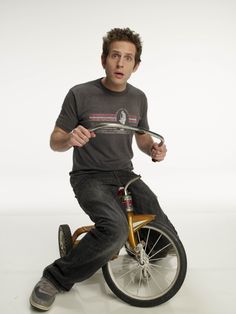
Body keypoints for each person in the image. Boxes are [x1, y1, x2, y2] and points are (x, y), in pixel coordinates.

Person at [30, 27, 177, 311]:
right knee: (115, 230)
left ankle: (110, 249)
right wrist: (70, 138)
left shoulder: (138, 98)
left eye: (128, 58)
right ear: (103, 60)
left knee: (165, 240)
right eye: (115, 56)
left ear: (136, 65)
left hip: (126, 176)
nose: (120, 63)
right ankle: (54, 278)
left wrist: (154, 150)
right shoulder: (79, 94)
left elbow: (142, 137)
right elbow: (54, 140)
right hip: (89, 176)